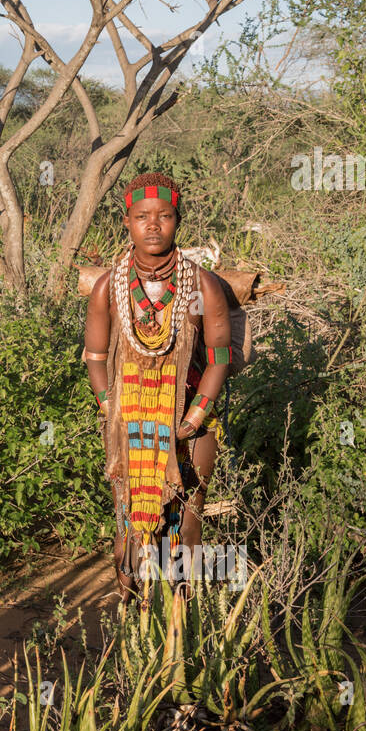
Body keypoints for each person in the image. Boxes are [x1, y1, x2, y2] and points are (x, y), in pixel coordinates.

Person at [83, 172, 233, 604]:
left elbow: (219, 358)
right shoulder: (108, 288)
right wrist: (111, 406)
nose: (153, 226)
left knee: (187, 522)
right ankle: (130, 617)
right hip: (127, 422)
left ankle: (182, 621)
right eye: (142, 217)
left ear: (177, 221)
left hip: (190, 424)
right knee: (129, 522)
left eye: (164, 216)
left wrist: (195, 416)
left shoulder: (200, 285)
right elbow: (95, 358)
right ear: (127, 222)